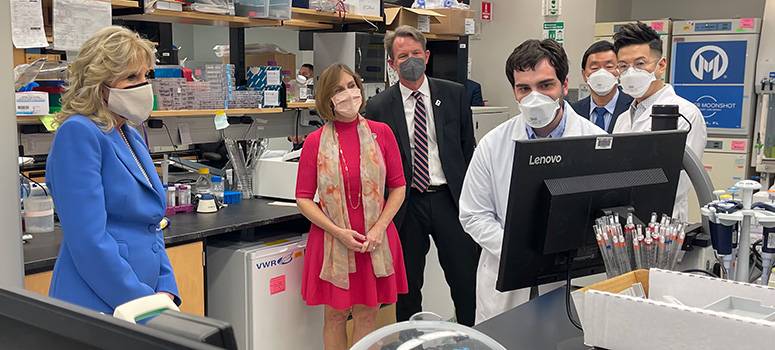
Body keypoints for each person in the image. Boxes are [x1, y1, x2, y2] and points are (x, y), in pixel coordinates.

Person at [459, 39, 606, 325]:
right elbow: (473, 215)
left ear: (564, 85)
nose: (534, 97)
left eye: (545, 85)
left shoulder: (595, 140)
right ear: (514, 91)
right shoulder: (493, 144)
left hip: (572, 277)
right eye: (524, 88)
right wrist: (519, 250)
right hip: (507, 275)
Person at [46, 26, 180, 314]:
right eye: (131, 77)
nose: (144, 85)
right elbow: (88, 240)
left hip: (143, 296)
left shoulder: (128, 133)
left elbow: (151, 224)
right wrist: (146, 304)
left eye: (146, 76)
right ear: (98, 83)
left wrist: (167, 288)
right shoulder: (78, 133)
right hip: (98, 300)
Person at [365, 25, 479, 326]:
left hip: (450, 201)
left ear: (427, 56)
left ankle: (471, 335)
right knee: (407, 286)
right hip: (405, 205)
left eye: (416, 53)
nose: (411, 60)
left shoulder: (454, 94)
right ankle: (411, 340)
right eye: (403, 56)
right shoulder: (377, 107)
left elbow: (469, 150)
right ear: (392, 63)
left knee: (465, 278)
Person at [295, 63, 408, 349]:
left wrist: (380, 228)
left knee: (367, 318)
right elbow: (303, 197)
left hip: (375, 241)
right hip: (333, 241)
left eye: (351, 86)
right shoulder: (314, 142)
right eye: (338, 90)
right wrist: (338, 231)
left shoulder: (381, 133)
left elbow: (398, 187)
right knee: (334, 317)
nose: (348, 94)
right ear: (327, 99)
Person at [612, 22, 707, 222]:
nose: (630, 72)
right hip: (624, 220)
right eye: (623, 66)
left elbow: (676, 183)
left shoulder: (686, 114)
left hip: (664, 224)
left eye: (640, 64)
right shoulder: (622, 118)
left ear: (660, 65)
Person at [570, 41, 633, 133]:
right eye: (595, 68)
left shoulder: (633, 107)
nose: (602, 73)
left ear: (620, 71)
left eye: (609, 66)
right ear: (584, 75)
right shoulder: (573, 112)